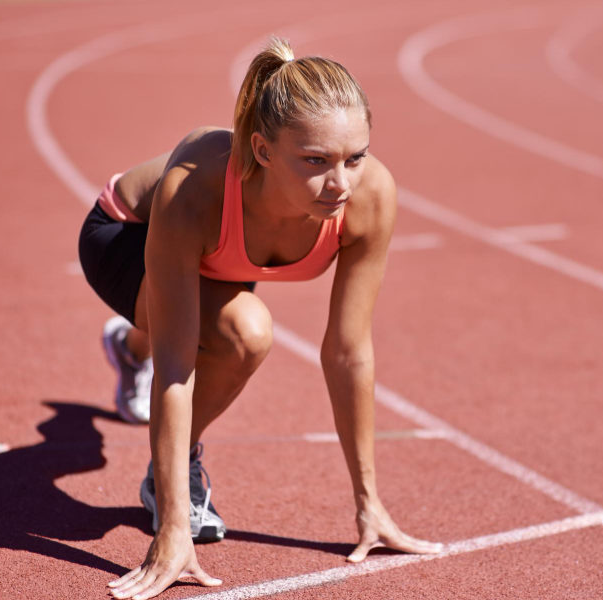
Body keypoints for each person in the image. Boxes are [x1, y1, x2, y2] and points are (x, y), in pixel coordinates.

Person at [77, 37, 442, 600]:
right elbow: (179, 364)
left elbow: (348, 351)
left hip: (219, 263)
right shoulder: (195, 188)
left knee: (215, 320)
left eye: (356, 156)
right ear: (264, 151)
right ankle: (172, 472)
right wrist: (173, 528)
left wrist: (369, 505)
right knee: (242, 333)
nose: (340, 183)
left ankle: (130, 350)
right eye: (316, 161)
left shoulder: (367, 197)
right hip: (125, 235)